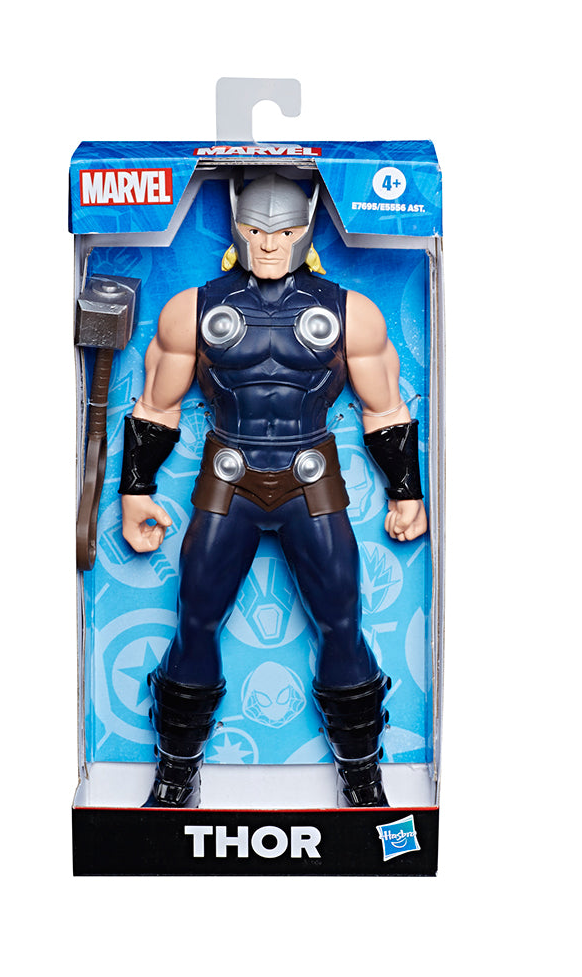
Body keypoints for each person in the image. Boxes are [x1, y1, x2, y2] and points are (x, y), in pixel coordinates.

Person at [118, 173, 427, 808]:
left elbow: (386, 408)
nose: (268, 244)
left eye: (284, 231)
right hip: (227, 476)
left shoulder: (349, 313)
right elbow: (156, 405)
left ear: (306, 229)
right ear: (235, 225)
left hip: (309, 477)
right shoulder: (193, 309)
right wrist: (134, 490)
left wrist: (406, 492)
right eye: (256, 230)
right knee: (195, 620)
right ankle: (176, 776)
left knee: (341, 623)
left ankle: (363, 776)